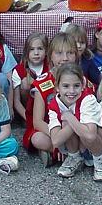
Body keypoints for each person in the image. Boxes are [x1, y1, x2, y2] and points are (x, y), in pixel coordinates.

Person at [48, 63, 102, 181]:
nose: (71, 91)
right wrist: (71, 122)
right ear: (57, 87)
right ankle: (74, 157)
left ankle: (100, 160)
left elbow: (90, 135)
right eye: (66, 86)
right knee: (67, 124)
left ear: (83, 85)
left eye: (76, 86)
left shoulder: (88, 99)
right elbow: (55, 140)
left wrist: (70, 117)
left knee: (83, 126)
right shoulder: (54, 104)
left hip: (101, 143)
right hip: (78, 145)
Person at [27, 33, 78, 165]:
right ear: (50, 56)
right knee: (37, 139)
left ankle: (61, 154)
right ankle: (60, 151)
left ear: (76, 55)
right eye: (59, 53)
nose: (65, 58)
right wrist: (59, 138)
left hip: (75, 128)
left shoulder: (81, 81)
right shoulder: (43, 83)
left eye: (70, 53)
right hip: (49, 129)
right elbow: (37, 122)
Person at [11, 32, 48, 122]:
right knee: (25, 83)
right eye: (32, 49)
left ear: (46, 51)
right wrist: (29, 120)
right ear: (26, 51)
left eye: (40, 49)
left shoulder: (50, 67)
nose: (36, 53)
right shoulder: (19, 70)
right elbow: (17, 102)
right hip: (27, 111)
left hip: (47, 108)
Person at [63, 22, 102, 88]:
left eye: (82, 42)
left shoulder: (87, 60)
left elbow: (98, 80)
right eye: (75, 42)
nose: (79, 46)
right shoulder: (62, 60)